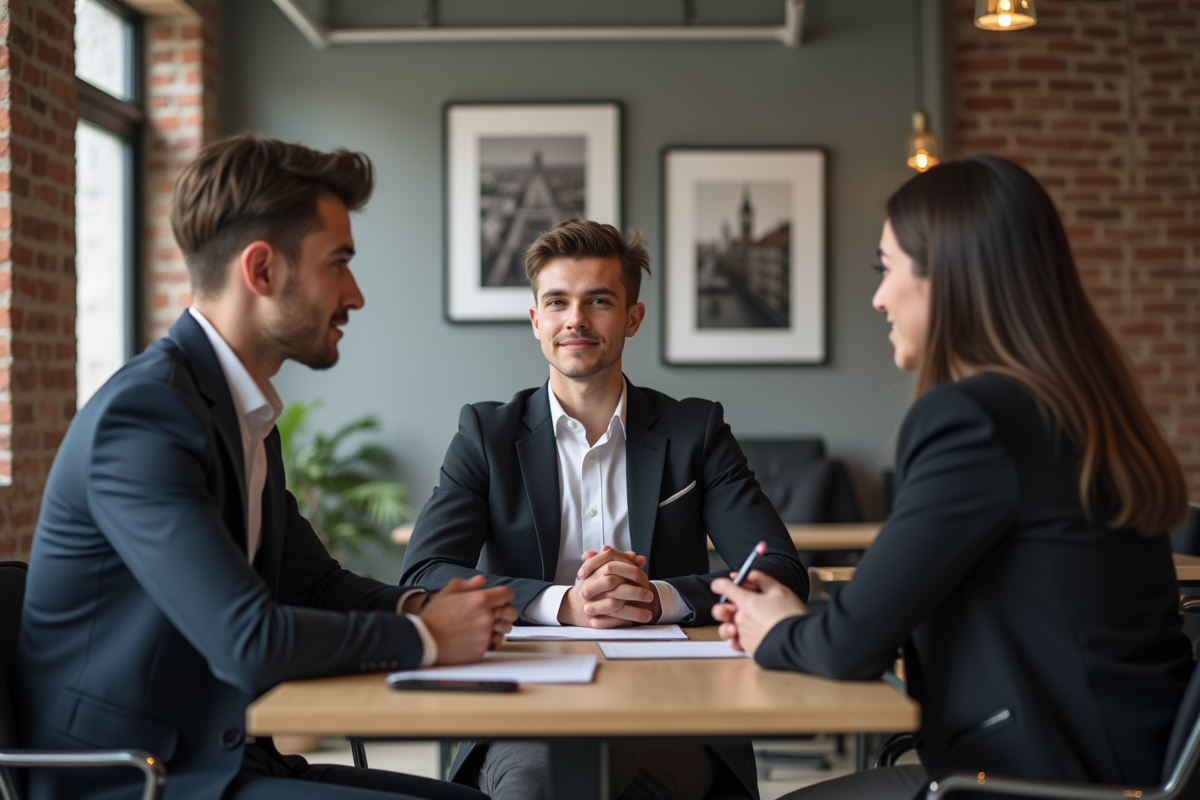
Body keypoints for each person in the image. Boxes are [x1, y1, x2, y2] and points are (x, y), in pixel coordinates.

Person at [17, 134, 518, 800]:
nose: (356, 295)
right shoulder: (143, 419)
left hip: (226, 760)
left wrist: (420, 602)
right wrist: (425, 636)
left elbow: (311, 585)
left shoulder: (237, 412)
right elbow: (247, 641)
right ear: (261, 271)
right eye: (337, 263)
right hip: (138, 780)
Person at [711, 154, 1195, 799]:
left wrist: (775, 631)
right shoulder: (1078, 405)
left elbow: (853, 648)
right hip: (1126, 763)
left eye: (887, 270)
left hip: (1035, 780)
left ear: (949, 276)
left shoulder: (972, 418)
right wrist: (810, 628)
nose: (879, 297)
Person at [401, 218, 808, 800]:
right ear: (535, 320)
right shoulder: (485, 434)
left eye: (599, 301)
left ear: (632, 319)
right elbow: (424, 576)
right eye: (557, 302)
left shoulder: (696, 430)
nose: (576, 319)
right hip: (523, 706)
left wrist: (653, 599)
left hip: (671, 706)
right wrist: (563, 604)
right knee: (543, 784)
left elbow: (780, 573)